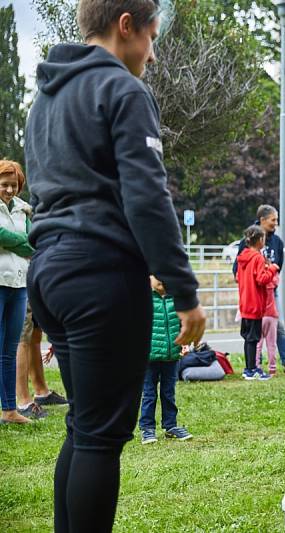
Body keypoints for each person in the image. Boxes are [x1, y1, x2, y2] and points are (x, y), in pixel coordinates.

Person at [24, 1, 206, 530]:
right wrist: (185, 292)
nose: (152, 51)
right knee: (102, 437)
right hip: (100, 273)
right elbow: (147, 198)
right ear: (125, 25)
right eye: (151, 36)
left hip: (49, 271)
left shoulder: (45, 99)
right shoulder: (124, 90)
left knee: (83, 427)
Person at [234, 204, 285, 374]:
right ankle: (254, 365)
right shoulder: (247, 244)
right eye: (273, 220)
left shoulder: (276, 241)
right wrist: (270, 270)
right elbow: (239, 268)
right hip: (254, 294)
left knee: (278, 326)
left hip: (270, 292)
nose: (275, 223)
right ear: (262, 220)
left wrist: (272, 273)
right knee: (255, 332)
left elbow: (280, 264)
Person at [0, 160, 34, 424]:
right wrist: (18, 242)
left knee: (9, 350)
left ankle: (10, 410)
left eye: (14, 185)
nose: (9, 190)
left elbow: (33, 246)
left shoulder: (24, 211)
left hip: (19, 285)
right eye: (4, 185)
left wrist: (15, 242)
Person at [139, 275, 193, 443]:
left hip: (172, 356)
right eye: (157, 276)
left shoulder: (175, 298)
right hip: (150, 357)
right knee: (149, 393)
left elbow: (184, 323)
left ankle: (170, 425)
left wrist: (185, 342)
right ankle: (147, 429)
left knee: (169, 392)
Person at [237, 225, 280, 380]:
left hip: (244, 303)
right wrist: (273, 269)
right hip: (255, 304)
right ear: (260, 240)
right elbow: (261, 279)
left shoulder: (243, 256)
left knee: (248, 337)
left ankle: (248, 368)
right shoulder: (258, 258)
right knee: (253, 338)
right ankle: (251, 369)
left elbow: (238, 277)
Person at [16, 304, 68, 420]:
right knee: (21, 335)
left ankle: (42, 392)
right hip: (16, 287)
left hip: (30, 286)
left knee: (35, 329)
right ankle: (23, 402)